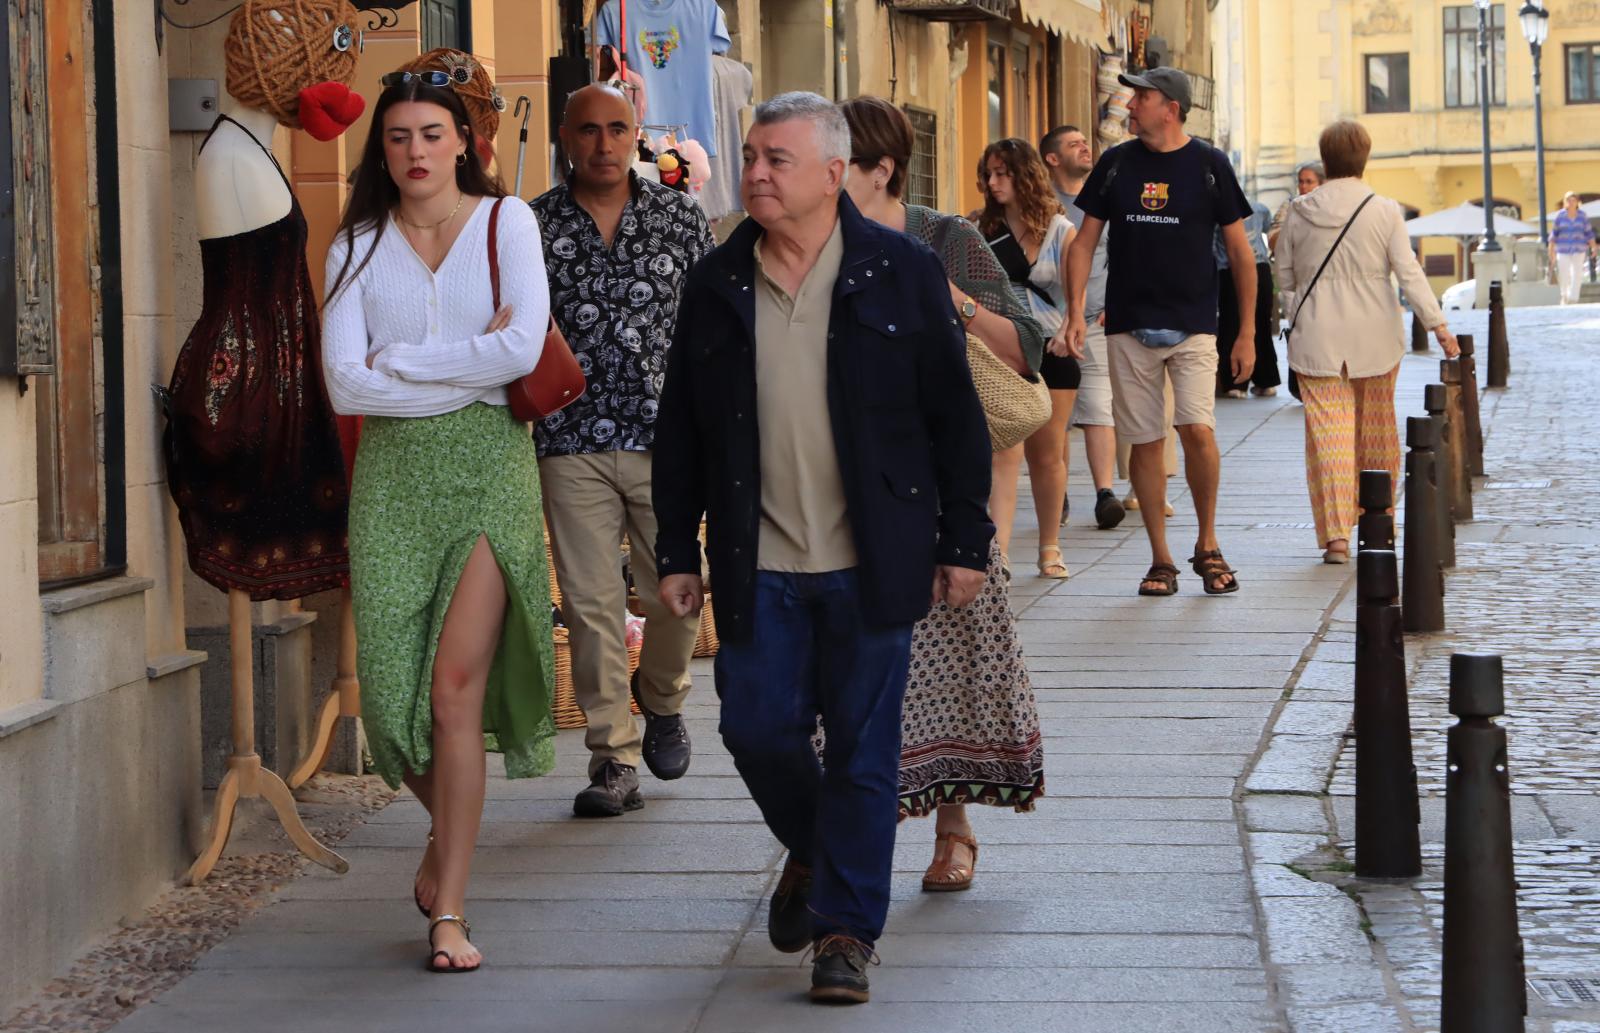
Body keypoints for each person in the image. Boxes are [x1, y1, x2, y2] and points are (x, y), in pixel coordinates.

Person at [652, 92, 993, 1005]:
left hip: (874, 558)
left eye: (778, 159)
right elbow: (680, 428)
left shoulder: (902, 271)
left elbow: (954, 415)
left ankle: (845, 932)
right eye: (752, 157)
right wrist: (676, 550)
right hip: (758, 560)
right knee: (753, 727)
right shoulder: (717, 281)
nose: (756, 173)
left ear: (835, 174)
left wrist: (966, 540)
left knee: (863, 753)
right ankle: (815, 847)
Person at [322, 74, 556, 973]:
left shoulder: (508, 224)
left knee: (455, 693)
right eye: (397, 137)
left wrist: (406, 362)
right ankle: (446, 828)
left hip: (489, 472)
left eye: (431, 133)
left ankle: (449, 909)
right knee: (388, 704)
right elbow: (346, 383)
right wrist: (470, 367)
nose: (415, 151)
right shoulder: (354, 247)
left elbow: (522, 349)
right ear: (380, 152)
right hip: (391, 480)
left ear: (463, 141)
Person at [839, 95, 1045, 896]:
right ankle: (824, 839)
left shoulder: (943, 238)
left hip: (930, 484)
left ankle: (954, 824)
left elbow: (1026, 345)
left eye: (837, 158)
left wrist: (947, 296)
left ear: (880, 168)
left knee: (947, 659)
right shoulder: (805, 240)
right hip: (836, 485)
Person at [531, 84, 712, 817]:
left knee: (680, 587)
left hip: (666, 438)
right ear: (565, 137)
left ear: (636, 135)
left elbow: (710, 323)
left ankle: (661, 696)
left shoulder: (678, 216)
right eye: (588, 130)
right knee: (591, 604)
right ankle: (613, 755)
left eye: (616, 129)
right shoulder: (533, 224)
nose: (603, 144)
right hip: (569, 438)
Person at [1065, 66, 1255, 597]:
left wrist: (1246, 334)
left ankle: (1208, 543)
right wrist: (1075, 311)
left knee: (1197, 429)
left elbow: (1240, 253)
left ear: (1170, 108)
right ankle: (1161, 558)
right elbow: (1083, 243)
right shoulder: (1116, 163)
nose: (1129, 105)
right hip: (1127, 323)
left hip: (1194, 323)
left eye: (1140, 98)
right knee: (1145, 442)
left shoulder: (1210, 165)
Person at [1275, 120, 1458, 563]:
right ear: (1365, 157)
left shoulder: (1299, 210)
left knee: (1330, 437)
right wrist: (1438, 325)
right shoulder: (1384, 209)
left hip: (1317, 333)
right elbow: (1408, 272)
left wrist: (1301, 307)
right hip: (1376, 334)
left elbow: (1285, 276)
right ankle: (1380, 519)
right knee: (1377, 431)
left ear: (1325, 159)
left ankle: (1337, 537)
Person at [978, 138, 1082, 576]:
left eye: (1002, 173)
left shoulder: (1061, 231)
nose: (993, 182)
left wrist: (1068, 330)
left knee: (1048, 454)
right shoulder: (979, 229)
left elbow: (1073, 298)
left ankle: (1049, 547)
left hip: (1051, 347)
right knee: (1003, 453)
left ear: (1025, 177)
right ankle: (998, 554)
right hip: (999, 350)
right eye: (988, 174)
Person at [1041, 124, 1125, 529]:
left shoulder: (1104, 200)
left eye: (1085, 142)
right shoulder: (1042, 205)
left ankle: (1104, 493)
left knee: (1098, 407)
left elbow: (1123, 255)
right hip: (1049, 323)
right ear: (1053, 158)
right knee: (1056, 414)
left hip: (1094, 320)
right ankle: (1056, 494)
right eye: (1074, 145)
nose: (1085, 148)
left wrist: (1114, 302)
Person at [1215, 197, 1283, 398]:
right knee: (1261, 324)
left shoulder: (1218, 208)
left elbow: (1212, 244)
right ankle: (1266, 381)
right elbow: (1269, 232)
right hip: (1260, 268)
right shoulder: (1259, 208)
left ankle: (1235, 383)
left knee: (1231, 324)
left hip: (1229, 269)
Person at [1551, 191, 1597, 305]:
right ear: (1565, 202)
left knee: (1577, 273)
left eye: (1573, 200)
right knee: (1564, 273)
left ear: (1577, 202)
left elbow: (1588, 232)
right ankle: (1564, 295)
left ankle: (1573, 298)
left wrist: (1593, 247)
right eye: (1569, 200)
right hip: (1563, 250)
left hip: (1579, 249)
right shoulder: (1560, 216)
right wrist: (1551, 250)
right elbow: (1554, 234)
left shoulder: (1582, 216)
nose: (1571, 203)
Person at [1268, 161, 1326, 251]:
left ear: (1321, 184)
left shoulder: (1328, 206)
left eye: (1309, 182)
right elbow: (1272, 242)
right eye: (1300, 181)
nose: (1303, 186)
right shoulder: (1290, 204)